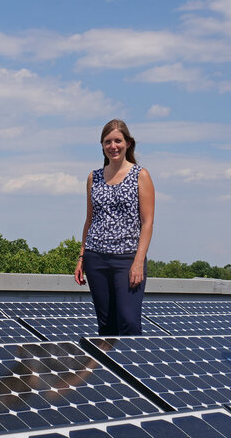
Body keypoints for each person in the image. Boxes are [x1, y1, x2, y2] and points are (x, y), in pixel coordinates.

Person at [74, 119, 155, 335]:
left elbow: (147, 222)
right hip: (96, 258)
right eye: (108, 142)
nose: (113, 146)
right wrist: (82, 257)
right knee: (106, 325)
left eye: (118, 141)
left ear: (128, 143)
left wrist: (138, 261)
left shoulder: (141, 175)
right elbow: (89, 219)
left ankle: (132, 367)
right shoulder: (94, 177)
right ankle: (108, 368)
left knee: (129, 322)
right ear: (102, 145)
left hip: (127, 259)